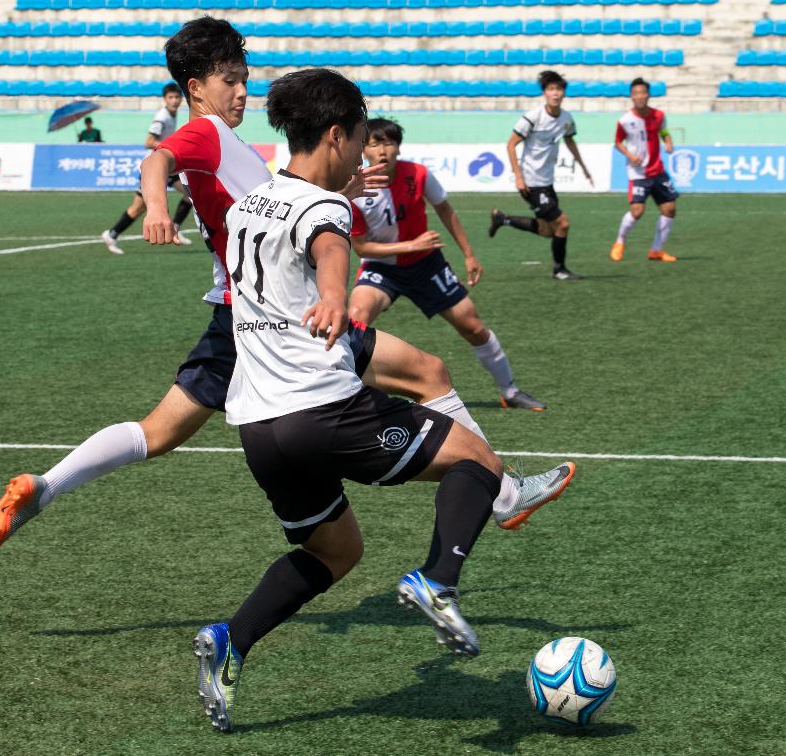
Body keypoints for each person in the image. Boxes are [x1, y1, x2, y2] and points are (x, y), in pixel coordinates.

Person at [0, 19, 572, 554]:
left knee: (157, 432)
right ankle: (500, 492)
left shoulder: (230, 145)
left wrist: (338, 194)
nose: (242, 92)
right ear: (195, 88)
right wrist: (158, 209)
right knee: (427, 372)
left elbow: (273, 219)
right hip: (276, 317)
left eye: (245, 80)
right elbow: (157, 160)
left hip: (238, 317)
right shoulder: (207, 134)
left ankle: (46, 485)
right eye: (230, 80)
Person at [188, 68, 574, 731]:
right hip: (322, 411)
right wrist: (336, 293)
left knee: (334, 553)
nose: (365, 154)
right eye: (361, 138)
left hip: (256, 425)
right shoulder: (326, 207)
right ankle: (436, 578)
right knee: (477, 460)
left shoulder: (253, 200)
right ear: (336, 136)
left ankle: (231, 639)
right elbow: (331, 246)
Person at [349, 117, 548, 412]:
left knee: (473, 325)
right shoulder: (355, 189)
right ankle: (346, 395)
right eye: (375, 143)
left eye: (389, 143)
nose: (383, 150)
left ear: (398, 148)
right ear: (363, 149)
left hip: (426, 264)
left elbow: (445, 210)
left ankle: (510, 391)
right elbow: (362, 247)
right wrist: (410, 244)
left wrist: (469, 254)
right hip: (381, 267)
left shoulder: (417, 174)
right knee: (355, 318)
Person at [490, 70, 593, 281]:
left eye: (559, 89)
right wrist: (518, 176)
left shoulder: (566, 118)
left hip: (547, 182)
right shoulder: (533, 117)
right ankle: (559, 270)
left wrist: (582, 165)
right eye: (551, 89)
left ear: (563, 93)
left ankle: (503, 219)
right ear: (545, 93)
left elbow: (570, 140)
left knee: (547, 231)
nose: (556, 93)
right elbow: (511, 145)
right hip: (531, 182)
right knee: (562, 224)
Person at [100, 83, 194, 254]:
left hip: (165, 167)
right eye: (170, 98)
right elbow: (149, 142)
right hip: (153, 169)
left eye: (176, 97)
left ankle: (176, 228)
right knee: (138, 208)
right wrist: (170, 147)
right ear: (165, 99)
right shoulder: (162, 116)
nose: (174, 101)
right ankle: (112, 234)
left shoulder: (171, 115)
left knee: (190, 194)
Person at [611, 77, 678, 263]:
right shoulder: (625, 120)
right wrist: (630, 156)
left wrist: (668, 141)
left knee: (670, 209)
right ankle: (619, 242)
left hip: (658, 170)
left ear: (648, 95)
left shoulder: (659, 116)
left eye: (643, 93)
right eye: (636, 93)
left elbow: (663, 131)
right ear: (632, 96)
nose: (640, 96)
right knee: (637, 211)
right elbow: (617, 142)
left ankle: (656, 250)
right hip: (638, 172)